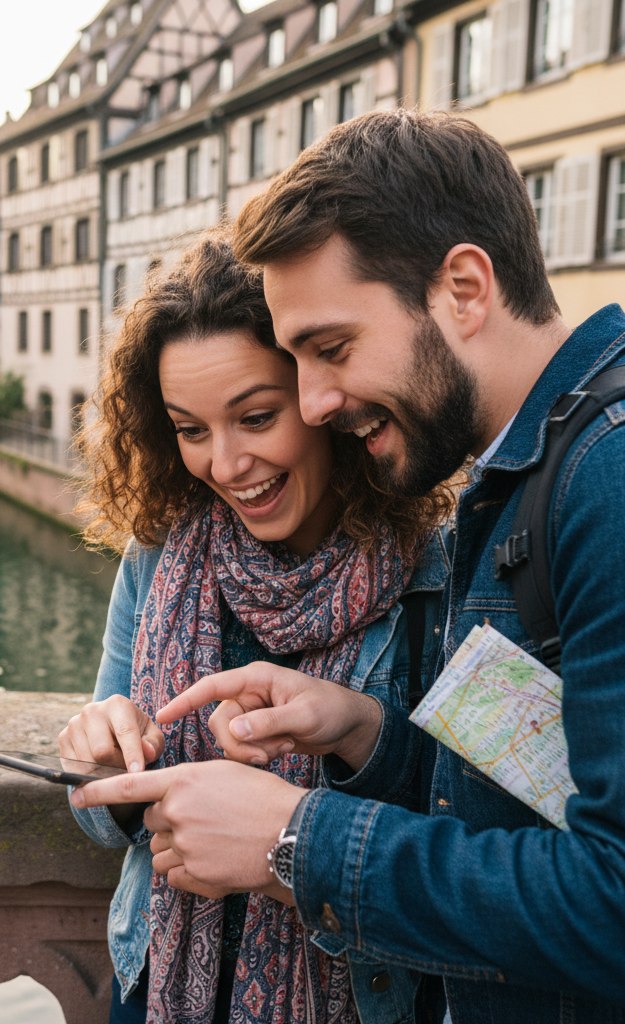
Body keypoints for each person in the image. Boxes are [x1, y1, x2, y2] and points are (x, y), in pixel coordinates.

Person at [70, 110, 625, 1023]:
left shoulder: (600, 474)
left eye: (329, 351)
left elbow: (609, 898)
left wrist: (294, 837)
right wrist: (366, 728)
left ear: (464, 288)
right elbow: (515, 798)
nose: (319, 401)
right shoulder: (519, 481)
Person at [61, 232, 453, 1024]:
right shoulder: (157, 559)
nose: (227, 463)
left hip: (360, 993)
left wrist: (359, 735)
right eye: (191, 428)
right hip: (161, 983)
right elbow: (103, 815)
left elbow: (465, 826)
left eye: (256, 416)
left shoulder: (434, 568)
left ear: (321, 399)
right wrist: (98, 753)